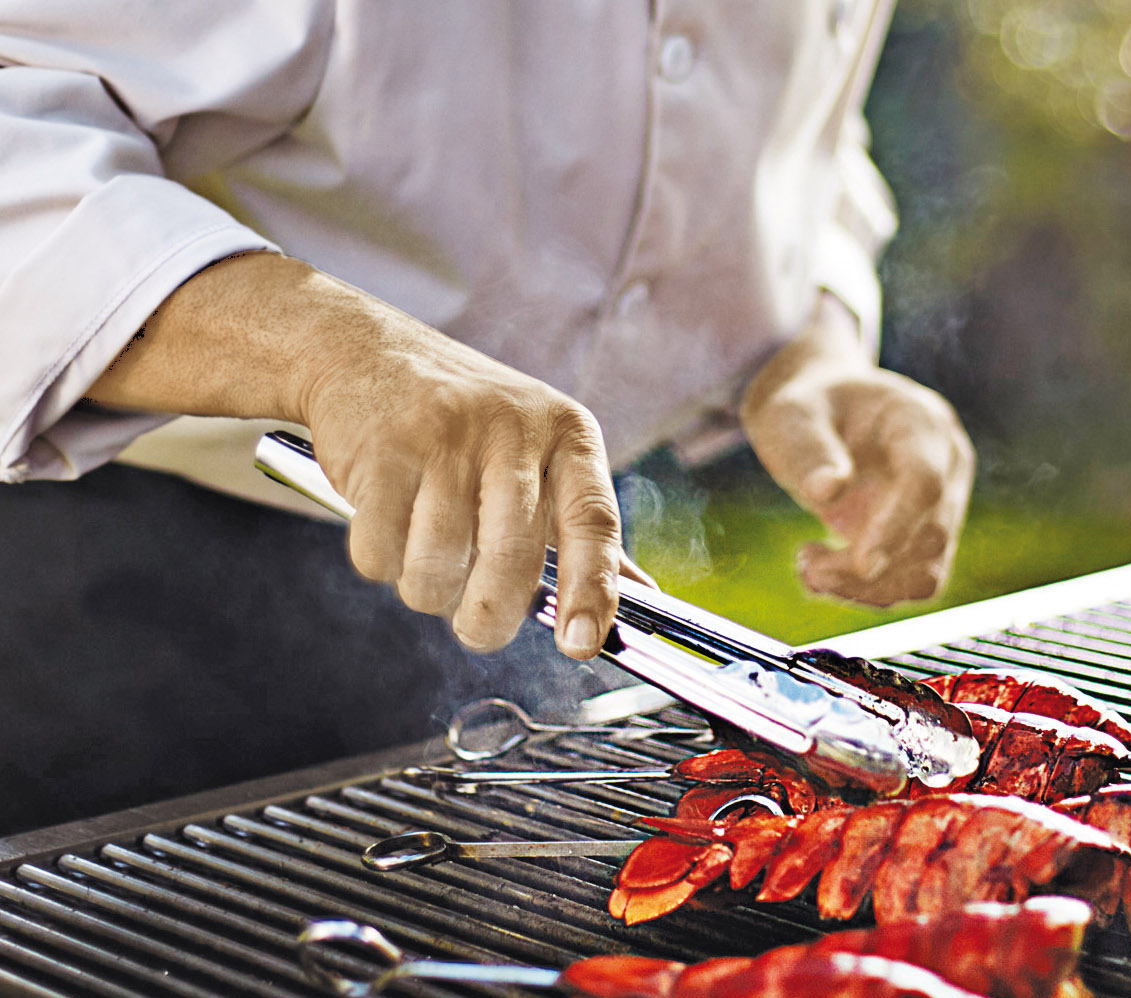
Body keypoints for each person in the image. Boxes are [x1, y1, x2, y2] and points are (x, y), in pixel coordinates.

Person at [0, 2, 974, 834]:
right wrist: (326, 345)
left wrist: (817, 341)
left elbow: (812, 134)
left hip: (562, 563)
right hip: (131, 585)